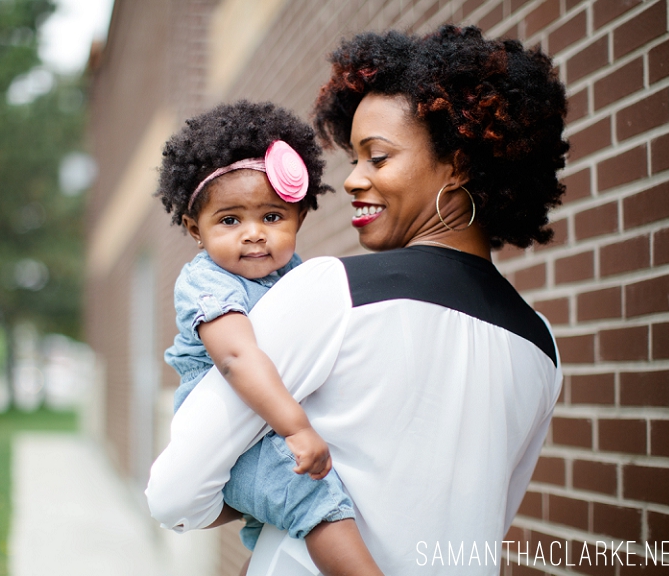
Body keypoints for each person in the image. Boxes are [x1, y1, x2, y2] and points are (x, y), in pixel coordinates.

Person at [147, 25, 567, 575]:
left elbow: (175, 493)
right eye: (354, 158)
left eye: (377, 157)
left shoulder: (332, 291)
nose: (352, 181)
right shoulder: (540, 342)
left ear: (459, 163)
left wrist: (269, 498)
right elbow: (482, 526)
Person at [156, 100, 383, 575]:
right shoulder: (208, 282)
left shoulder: (293, 275)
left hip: (269, 424)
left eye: (273, 217)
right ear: (196, 230)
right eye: (230, 220)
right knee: (317, 506)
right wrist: (297, 428)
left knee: (271, 544)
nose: (254, 234)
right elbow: (237, 358)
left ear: (299, 218)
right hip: (236, 432)